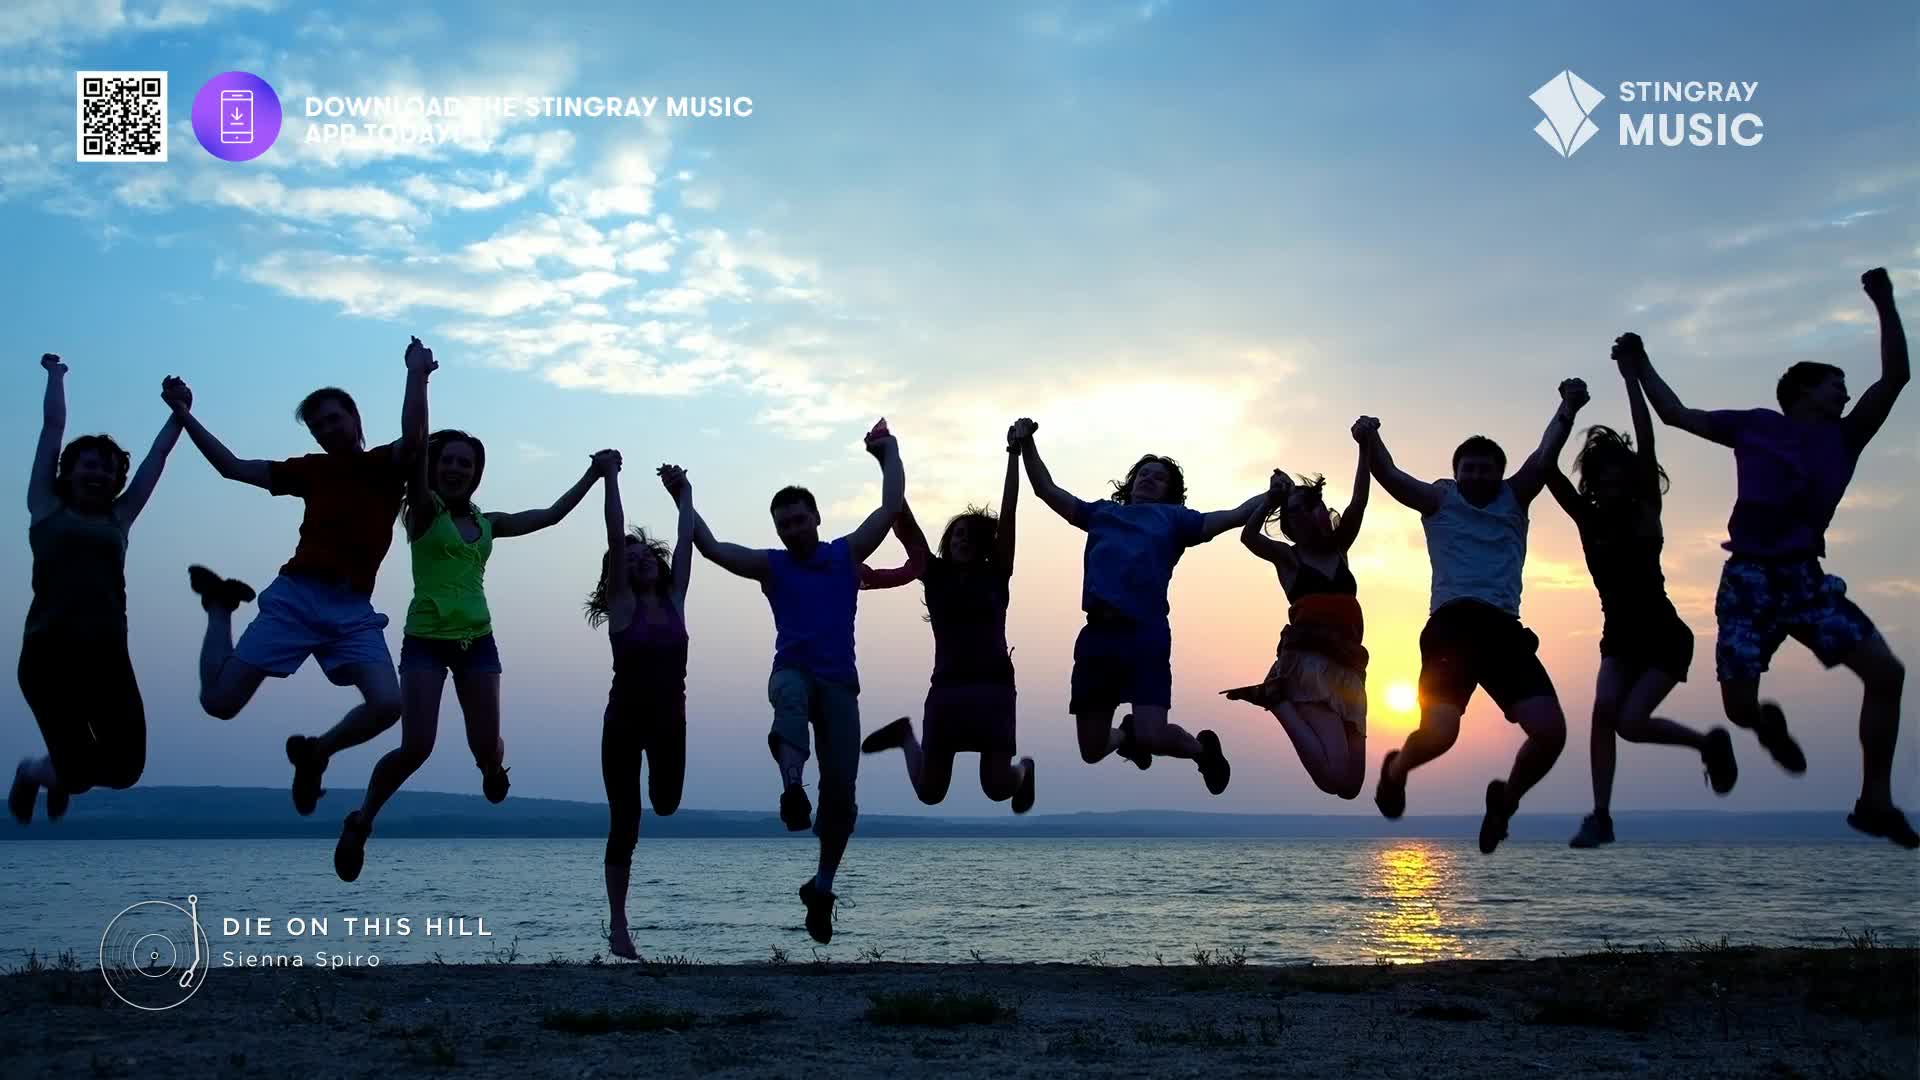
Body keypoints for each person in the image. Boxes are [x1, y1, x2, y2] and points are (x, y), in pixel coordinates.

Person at [1628, 267, 1913, 849]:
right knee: (1737, 709)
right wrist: (1641, 364)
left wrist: (1884, 301)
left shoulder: (1847, 435)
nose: (1846, 393)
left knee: (1887, 674)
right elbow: (1677, 415)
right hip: (1748, 581)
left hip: (1806, 580)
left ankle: (1875, 800)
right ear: (1802, 392)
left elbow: (1898, 376)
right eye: (1836, 384)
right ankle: (1764, 725)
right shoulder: (1755, 426)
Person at [331, 433, 618, 882]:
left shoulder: (488, 523)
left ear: (476, 472)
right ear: (433, 466)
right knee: (416, 747)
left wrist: (594, 474)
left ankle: (492, 765)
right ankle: (361, 821)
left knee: (484, 745)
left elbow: (549, 516)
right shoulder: (422, 511)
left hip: (478, 641)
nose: (456, 469)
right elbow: (416, 455)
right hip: (426, 639)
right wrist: (418, 379)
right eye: (448, 461)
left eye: (466, 463)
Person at [173, 337, 433, 817]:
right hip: (298, 597)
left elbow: (416, 438)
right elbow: (232, 468)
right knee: (219, 702)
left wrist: (416, 373)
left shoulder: (382, 465)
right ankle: (218, 607)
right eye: (317, 426)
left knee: (388, 705)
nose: (326, 429)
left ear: (355, 419)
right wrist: (185, 415)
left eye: (334, 418)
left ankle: (317, 753)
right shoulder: (310, 471)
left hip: (352, 609)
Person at [686, 420, 907, 944]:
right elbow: (713, 548)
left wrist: (889, 453)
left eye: (798, 520)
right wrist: (684, 497)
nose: (791, 529)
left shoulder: (844, 554)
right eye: (782, 523)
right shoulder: (773, 566)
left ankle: (822, 887)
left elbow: (890, 507)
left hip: (840, 685)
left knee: (843, 797)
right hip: (793, 672)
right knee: (787, 695)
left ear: (815, 518)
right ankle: (791, 790)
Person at [1364, 380, 1585, 854]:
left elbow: (1546, 454)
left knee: (1551, 734)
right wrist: (1369, 436)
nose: (1479, 475)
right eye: (1470, 468)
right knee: (1442, 734)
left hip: (1504, 631)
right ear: (1456, 472)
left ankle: (1505, 802)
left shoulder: (1515, 497)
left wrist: (1567, 406)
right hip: (1451, 630)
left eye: (1488, 469)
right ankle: (1396, 770)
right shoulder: (1441, 500)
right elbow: (1392, 476)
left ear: (1500, 474)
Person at [1554, 345, 1738, 849]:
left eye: (1620, 471)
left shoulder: (1644, 508)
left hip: (1662, 633)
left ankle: (1708, 744)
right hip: (1618, 634)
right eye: (1602, 473)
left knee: (1630, 723)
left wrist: (1630, 376)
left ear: (1630, 476)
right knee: (1605, 715)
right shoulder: (1586, 517)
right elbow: (1547, 468)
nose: (1611, 479)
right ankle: (1601, 815)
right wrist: (1566, 409)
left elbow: (1649, 439)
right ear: (1592, 480)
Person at [1019, 420, 1264, 794]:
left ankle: (1202, 751)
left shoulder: (1175, 520)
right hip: (1097, 636)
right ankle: (1125, 737)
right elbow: (1044, 489)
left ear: (1170, 491)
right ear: (1130, 483)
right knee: (1091, 749)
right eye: (1143, 474)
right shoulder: (1100, 514)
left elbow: (1233, 515)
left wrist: (1272, 494)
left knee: (1153, 735)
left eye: (1158, 477)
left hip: (1144, 634)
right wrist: (1027, 442)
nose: (1148, 479)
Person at [11, 356, 190, 824]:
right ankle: (35, 773)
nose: (99, 474)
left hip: (108, 657)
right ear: (68, 471)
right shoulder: (45, 506)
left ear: (117, 481)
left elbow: (157, 461)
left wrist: (179, 414)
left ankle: (47, 771)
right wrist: (56, 376)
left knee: (126, 769)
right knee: (79, 773)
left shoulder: (119, 517)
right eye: (89, 465)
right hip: (49, 656)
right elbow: (52, 429)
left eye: (109, 470)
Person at [860, 420, 1035, 814]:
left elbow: (1009, 513)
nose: (961, 541)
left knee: (996, 787)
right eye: (955, 535)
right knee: (929, 792)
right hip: (948, 690)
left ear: (983, 545)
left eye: (969, 536)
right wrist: (886, 461)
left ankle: (1025, 770)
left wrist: (1014, 454)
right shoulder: (933, 574)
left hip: (992, 690)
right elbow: (901, 519)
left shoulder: (996, 574)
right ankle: (906, 736)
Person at [1222, 421, 1373, 799]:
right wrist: (1273, 500)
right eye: (1295, 512)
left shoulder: (1340, 548)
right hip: (1308, 666)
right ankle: (1278, 701)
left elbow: (1359, 499)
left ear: (1323, 511)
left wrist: (1365, 444)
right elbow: (1249, 537)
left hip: (1350, 667)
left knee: (1351, 786)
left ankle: (1275, 698)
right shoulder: (1289, 559)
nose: (1306, 515)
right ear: (1289, 524)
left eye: (1312, 506)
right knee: (1333, 777)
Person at [582, 458, 691, 959]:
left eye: (644, 553)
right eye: (627, 557)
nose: (638, 558)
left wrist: (682, 494)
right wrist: (610, 478)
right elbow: (613, 529)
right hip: (622, 724)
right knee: (625, 820)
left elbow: (686, 542)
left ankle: (621, 925)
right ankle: (619, 927)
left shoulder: (675, 599)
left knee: (666, 803)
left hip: (670, 724)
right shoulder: (622, 606)